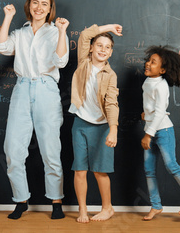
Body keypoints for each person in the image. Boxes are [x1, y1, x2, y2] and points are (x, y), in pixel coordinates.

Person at [0, 0, 69, 220]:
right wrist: (7, 17)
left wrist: (62, 31)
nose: (39, 7)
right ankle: (21, 200)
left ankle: (56, 202)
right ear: (29, 6)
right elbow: (2, 47)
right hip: (22, 88)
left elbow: (61, 61)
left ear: (50, 9)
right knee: (12, 149)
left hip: (46, 88)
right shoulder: (20, 32)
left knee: (50, 149)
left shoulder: (56, 30)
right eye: (35, 3)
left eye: (44, 4)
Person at [69, 24, 122, 223]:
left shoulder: (111, 75)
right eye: (98, 45)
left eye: (107, 47)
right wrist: (109, 28)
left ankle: (107, 208)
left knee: (100, 171)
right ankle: (82, 210)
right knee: (80, 169)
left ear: (111, 52)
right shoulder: (83, 62)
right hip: (80, 123)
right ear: (91, 48)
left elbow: (111, 104)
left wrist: (113, 130)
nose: (102, 49)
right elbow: (84, 34)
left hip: (102, 127)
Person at [140, 45, 180, 220]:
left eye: (153, 62)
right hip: (151, 127)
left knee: (171, 165)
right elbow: (153, 108)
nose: (148, 64)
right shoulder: (148, 82)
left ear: (163, 69)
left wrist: (148, 134)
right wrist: (145, 114)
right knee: (149, 170)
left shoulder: (161, 86)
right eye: (148, 61)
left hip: (163, 130)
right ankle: (156, 206)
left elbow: (160, 112)